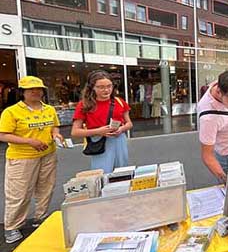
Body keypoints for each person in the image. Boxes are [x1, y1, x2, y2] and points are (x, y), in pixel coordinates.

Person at [0, 76, 64, 243]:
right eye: (31, 89)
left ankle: (40, 218)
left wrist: (56, 134)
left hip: (48, 154)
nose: (36, 92)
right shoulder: (11, 111)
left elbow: (54, 126)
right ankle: (12, 226)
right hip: (22, 158)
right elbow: (3, 135)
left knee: (46, 188)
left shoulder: (49, 109)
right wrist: (29, 141)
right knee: (19, 193)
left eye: (39, 89)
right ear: (22, 92)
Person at [71, 70, 133, 173]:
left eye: (109, 86)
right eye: (101, 87)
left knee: (122, 172)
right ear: (92, 88)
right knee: (102, 173)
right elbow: (75, 132)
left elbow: (129, 123)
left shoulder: (119, 101)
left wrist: (121, 129)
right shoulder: (84, 105)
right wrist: (98, 131)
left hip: (119, 139)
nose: (106, 90)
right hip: (99, 141)